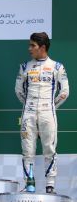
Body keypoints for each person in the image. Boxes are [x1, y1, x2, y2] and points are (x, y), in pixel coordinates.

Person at [15, 32, 69, 194]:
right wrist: (29, 105)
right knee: (27, 149)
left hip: (48, 113)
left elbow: (65, 92)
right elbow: (18, 91)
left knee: (49, 149)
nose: (29, 48)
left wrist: (51, 106)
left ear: (42, 47)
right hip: (28, 113)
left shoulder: (57, 67)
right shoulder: (24, 66)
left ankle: (50, 184)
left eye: (33, 45)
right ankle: (29, 183)